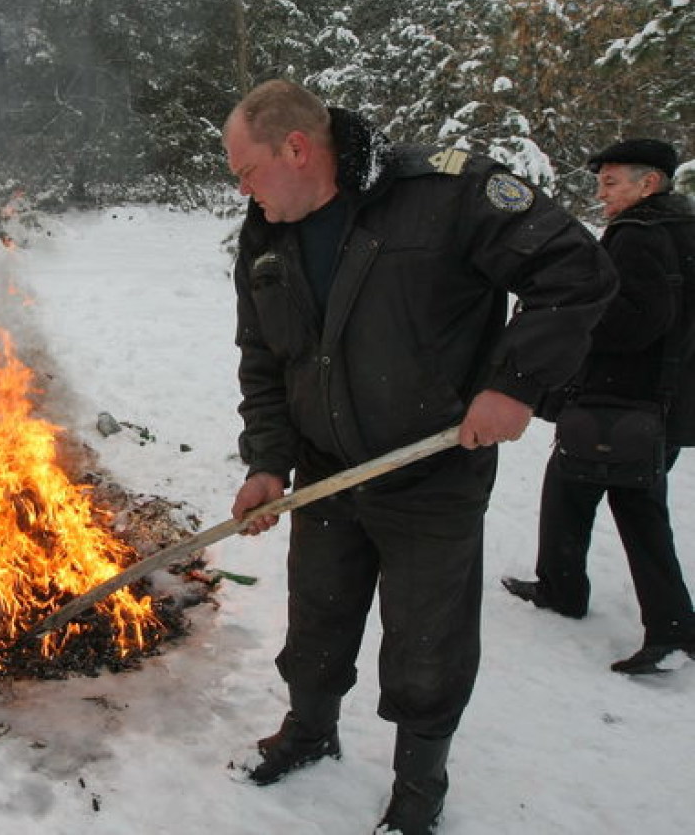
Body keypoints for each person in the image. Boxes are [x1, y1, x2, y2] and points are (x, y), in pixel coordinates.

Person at [223, 80, 616, 835]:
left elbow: (575, 271)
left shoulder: (446, 195)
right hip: (328, 474)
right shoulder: (267, 231)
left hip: (432, 471)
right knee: (317, 621)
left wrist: (516, 384)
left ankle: (419, 783)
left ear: (296, 148)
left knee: (426, 643)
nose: (242, 189)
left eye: (246, 170)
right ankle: (310, 730)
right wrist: (268, 461)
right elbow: (263, 359)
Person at [503, 138, 695, 675]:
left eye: (612, 183)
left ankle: (674, 629)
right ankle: (561, 586)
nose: (601, 193)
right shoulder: (682, 231)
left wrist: (574, 314)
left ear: (649, 183)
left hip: (625, 400)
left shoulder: (639, 235)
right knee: (573, 487)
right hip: (658, 403)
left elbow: (639, 319)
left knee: (634, 505)